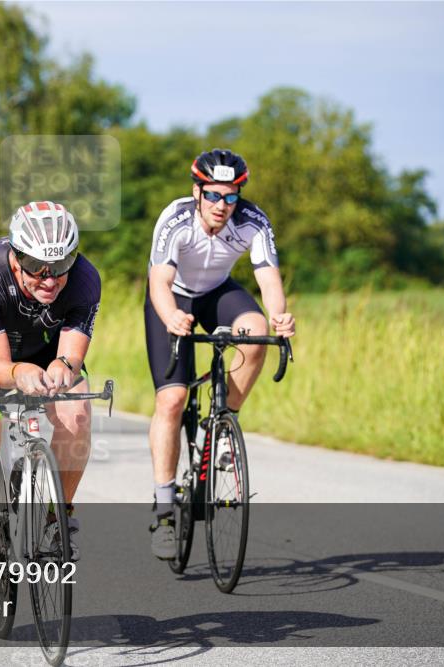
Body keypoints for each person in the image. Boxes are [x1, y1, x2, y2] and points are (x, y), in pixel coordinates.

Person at [145, 149, 296, 559]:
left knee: (257, 329)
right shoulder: (174, 219)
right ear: (197, 191)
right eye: (213, 195)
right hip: (172, 298)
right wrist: (172, 315)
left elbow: (268, 279)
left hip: (217, 293)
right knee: (172, 399)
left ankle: (222, 423)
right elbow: (159, 281)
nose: (222, 206)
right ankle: (163, 508)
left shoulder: (253, 221)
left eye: (231, 197)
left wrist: (280, 316)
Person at [0, 201, 101, 561]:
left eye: (61, 266)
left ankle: (57, 519)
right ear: (16, 258)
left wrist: (63, 368)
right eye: (37, 268)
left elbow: (70, 355)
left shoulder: (84, 278)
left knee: (76, 415)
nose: (50, 280)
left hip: (44, 349)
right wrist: (19, 372)